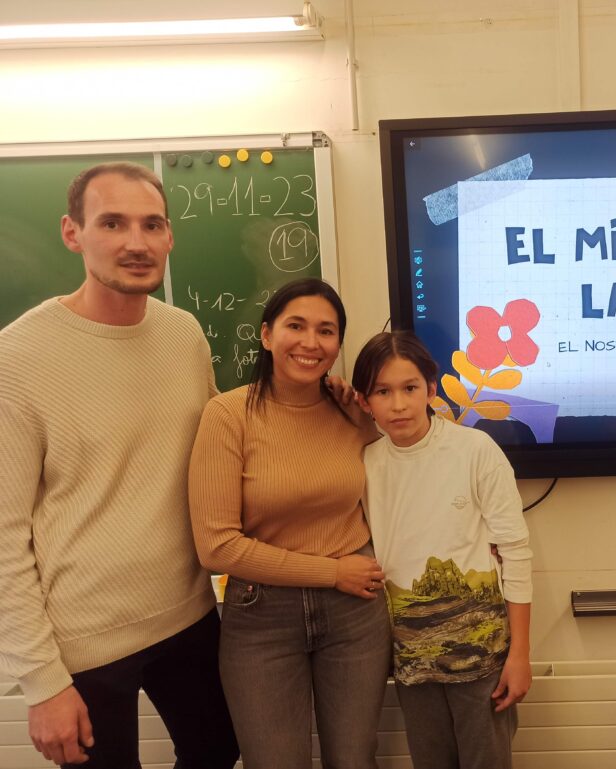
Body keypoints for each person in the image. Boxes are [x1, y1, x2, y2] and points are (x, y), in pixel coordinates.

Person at [0, 162, 239, 768]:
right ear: (72, 233)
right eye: (112, 223)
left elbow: (223, 449)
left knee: (219, 748)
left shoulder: (183, 334)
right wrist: (41, 682)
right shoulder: (17, 357)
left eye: (151, 224)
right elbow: (3, 535)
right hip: (84, 642)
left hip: (189, 613)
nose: (137, 242)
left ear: (169, 236)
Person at [188, 278, 392, 769]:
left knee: (355, 760)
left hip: (355, 612)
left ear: (338, 344)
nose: (310, 342)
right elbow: (216, 547)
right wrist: (330, 572)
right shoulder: (227, 415)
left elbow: (418, 461)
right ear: (266, 335)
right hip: (262, 614)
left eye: (326, 331)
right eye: (295, 326)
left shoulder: (353, 412)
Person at [351, 331, 533, 769]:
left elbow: (516, 551)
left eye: (410, 388)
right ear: (364, 401)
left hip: (484, 659)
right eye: (382, 391)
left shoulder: (475, 450)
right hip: (412, 661)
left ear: (431, 389)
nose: (398, 404)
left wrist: (520, 654)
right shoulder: (366, 463)